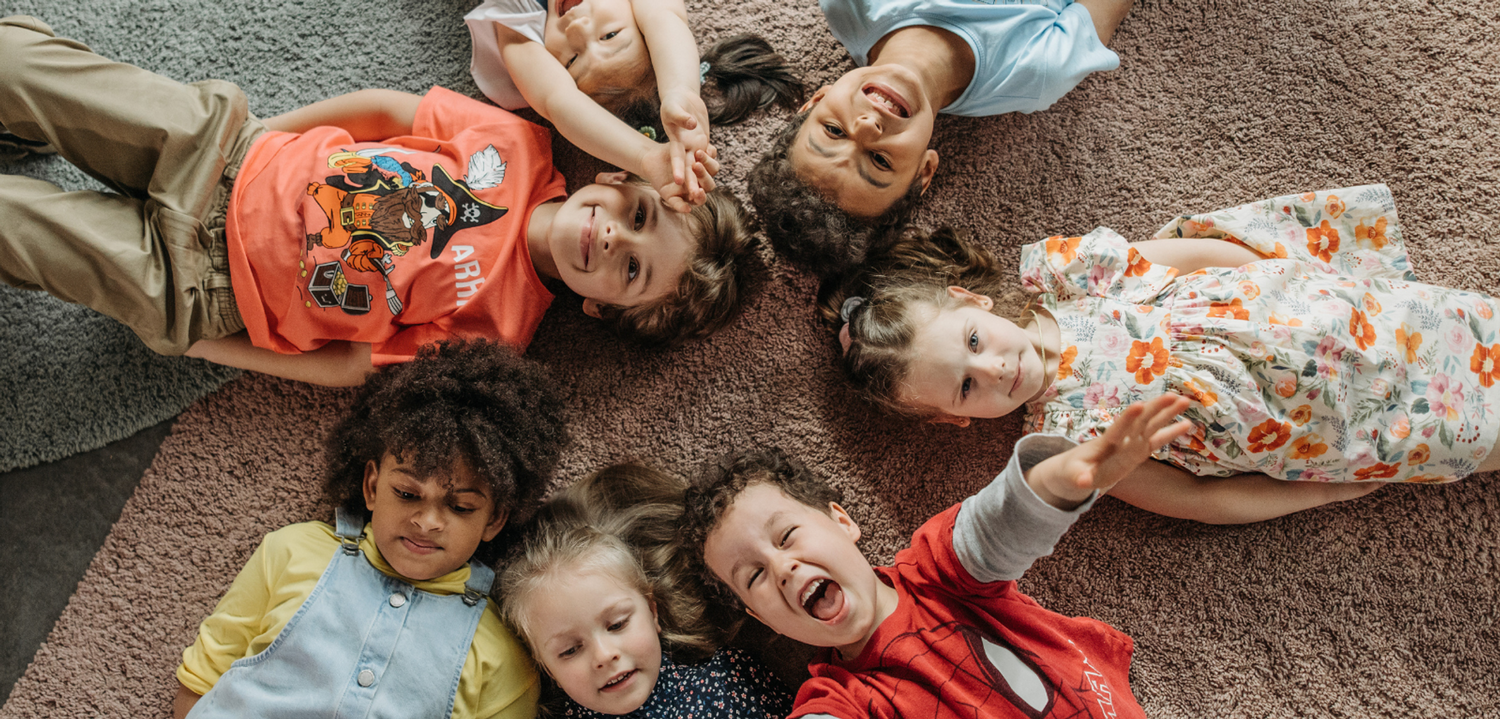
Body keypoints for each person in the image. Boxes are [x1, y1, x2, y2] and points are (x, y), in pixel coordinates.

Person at [0, 16, 757, 387]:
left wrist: (194, 340)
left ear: (601, 309)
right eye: (638, 218)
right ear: (618, 179)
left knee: (17, 227)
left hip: (202, 290)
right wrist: (262, 134)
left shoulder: (499, 336)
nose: (610, 241)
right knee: (21, 62)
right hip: (221, 155)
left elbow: (351, 366)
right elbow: (388, 113)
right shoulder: (518, 149)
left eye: (629, 273)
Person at [826, 184, 1498, 523]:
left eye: (974, 343)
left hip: (1332, 315)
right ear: (954, 419)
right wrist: (1325, 491)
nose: (995, 368)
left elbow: (1203, 260)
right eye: (966, 388)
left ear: (970, 301)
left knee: (1467, 329)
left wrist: (1297, 283)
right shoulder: (1069, 445)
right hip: (1325, 429)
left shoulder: (1073, 278)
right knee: (1472, 433)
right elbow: (1202, 500)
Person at [680, 395, 1204, 719]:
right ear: (761, 617)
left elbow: (997, 527)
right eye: (753, 577)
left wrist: (1059, 481)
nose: (782, 566)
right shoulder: (843, 702)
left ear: (842, 521)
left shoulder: (937, 568)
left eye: (786, 535)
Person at [172, 338, 570, 719]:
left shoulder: (501, 655)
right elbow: (201, 680)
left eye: (460, 506)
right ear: (372, 486)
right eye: (408, 494)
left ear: (496, 519)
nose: (427, 522)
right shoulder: (291, 551)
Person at [747, 0, 1134, 277]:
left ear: (814, 102)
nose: (867, 128)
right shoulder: (1037, 72)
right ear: (924, 171)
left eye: (833, 131)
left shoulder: (847, 6)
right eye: (880, 161)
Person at [496, 463, 794, 719]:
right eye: (570, 650)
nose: (604, 656)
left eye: (617, 625)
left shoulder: (730, 681)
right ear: (547, 669)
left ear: (653, 612)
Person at [465, 0, 803, 205]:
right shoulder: (646, 15)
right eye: (610, 35)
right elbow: (664, 18)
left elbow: (558, 101)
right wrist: (681, 94)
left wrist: (644, 158)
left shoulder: (520, 22)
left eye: (571, 60)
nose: (577, 30)